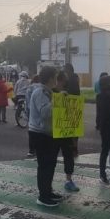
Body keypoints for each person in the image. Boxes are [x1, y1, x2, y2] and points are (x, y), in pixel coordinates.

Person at [29, 66, 63, 207]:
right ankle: (43, 197)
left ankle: (48, 191)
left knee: (50, 164)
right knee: (44, 166)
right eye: (55, 77)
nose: (57, 80)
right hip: (40, 134)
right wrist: (58, 100)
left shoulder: (48, 92)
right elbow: (45, 113)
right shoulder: (40, 92)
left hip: (48, 133)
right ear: (50, 78)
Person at [52, 71, 80, 191]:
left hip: (65, 130)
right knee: (51, 158)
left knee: (68, 156)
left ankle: (69, 180)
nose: (66, 82)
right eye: (65, 80)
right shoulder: (51, 93)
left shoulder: (67, 94)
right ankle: (48, 182)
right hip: (53, 131)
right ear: (61, 80)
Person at [64, 63, 80, 157]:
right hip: (75, 105)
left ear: (69, 70)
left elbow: (70, 92)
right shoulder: (75, 78)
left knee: (71, 128)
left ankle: (73, 147)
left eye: (65, 70)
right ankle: (74, 147)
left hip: (71, 104)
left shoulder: (70, 79)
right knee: (74, 128)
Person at [25, 74, 40, 157]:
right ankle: (39, 149)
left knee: (32, 130)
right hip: (39, 112)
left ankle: (31, 150)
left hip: (31, 111)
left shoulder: (29, 88)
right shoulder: (42, 88)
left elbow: (27, 102)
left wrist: (27, 114)